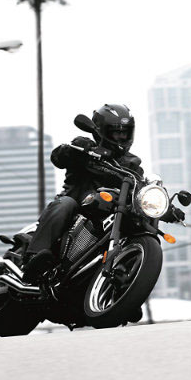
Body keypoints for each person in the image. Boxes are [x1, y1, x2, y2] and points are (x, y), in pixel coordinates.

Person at [22, 104, 144, 283]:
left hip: (107, 216)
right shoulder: (84, 147)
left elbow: (140, 187)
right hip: (76, 209)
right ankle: (33, 258)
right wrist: (78, 149)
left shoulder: (132, 164)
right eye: (116, 132)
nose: (121, 137)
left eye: (125, 133)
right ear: (100, 131)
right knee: (65, 204)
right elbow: (58, 157)